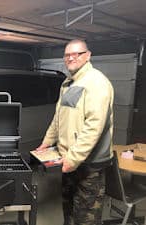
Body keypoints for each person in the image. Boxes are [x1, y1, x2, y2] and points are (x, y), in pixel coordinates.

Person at [36, 39, 114, 225]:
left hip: (90, 163)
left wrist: (74, 158)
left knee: (86, 215)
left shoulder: (97, 82)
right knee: (69, 209)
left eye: (76, 54)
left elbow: (94, 125)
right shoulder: (68, 83)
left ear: (87, 56)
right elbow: (58, 118)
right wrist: (47, 142)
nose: (71, 58)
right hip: (69, 158)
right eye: (67, 55)